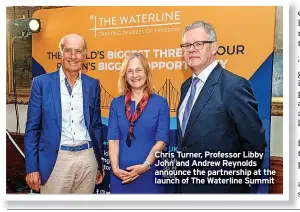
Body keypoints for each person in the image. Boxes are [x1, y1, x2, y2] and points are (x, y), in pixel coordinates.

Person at [177, 21, 267, 193]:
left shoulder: (234, 86)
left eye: (199, 44)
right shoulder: (186, 86)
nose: (191, 49)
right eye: (187, 45)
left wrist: (235, 186)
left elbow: (255, 143)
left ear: (214, 47)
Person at [25, 34, 104, 194]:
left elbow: (95, 126)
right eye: (68, 51)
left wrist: (98, 162)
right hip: (56, 161)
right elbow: (32, 129)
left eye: (78, 51)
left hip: (87, 159)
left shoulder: (93, 84)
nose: (73, 56)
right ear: (61, 52)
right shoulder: (41, 84)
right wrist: (32, 167)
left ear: (85, 54)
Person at [107, 53, 170, 193]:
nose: (134, 75)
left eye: (139, 70)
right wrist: (116, 169)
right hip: (121, 175)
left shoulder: (161, 103)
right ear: (125, 76)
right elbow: (113, 140)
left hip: (149, 172)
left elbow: (161, 141)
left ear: (146, 72)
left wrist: (145, 165)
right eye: (130, 71)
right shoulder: (116, 104)